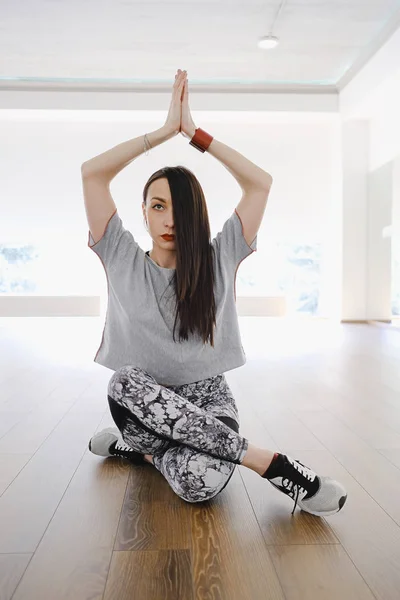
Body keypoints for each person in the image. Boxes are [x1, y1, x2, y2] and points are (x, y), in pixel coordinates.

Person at [82, 69, 347, 517]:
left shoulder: (219, 256)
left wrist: (195, 135)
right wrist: (163, 133)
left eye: (180, 208)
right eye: (158, 206)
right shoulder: (120, 255)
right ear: (143, 212)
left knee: (197, 485)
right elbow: (92, 173)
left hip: (207, 399)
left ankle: (139, 457)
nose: (169, 220)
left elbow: (260, 182)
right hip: (141, 407)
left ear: (197, 214)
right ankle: (273, 466)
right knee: (122, 379)